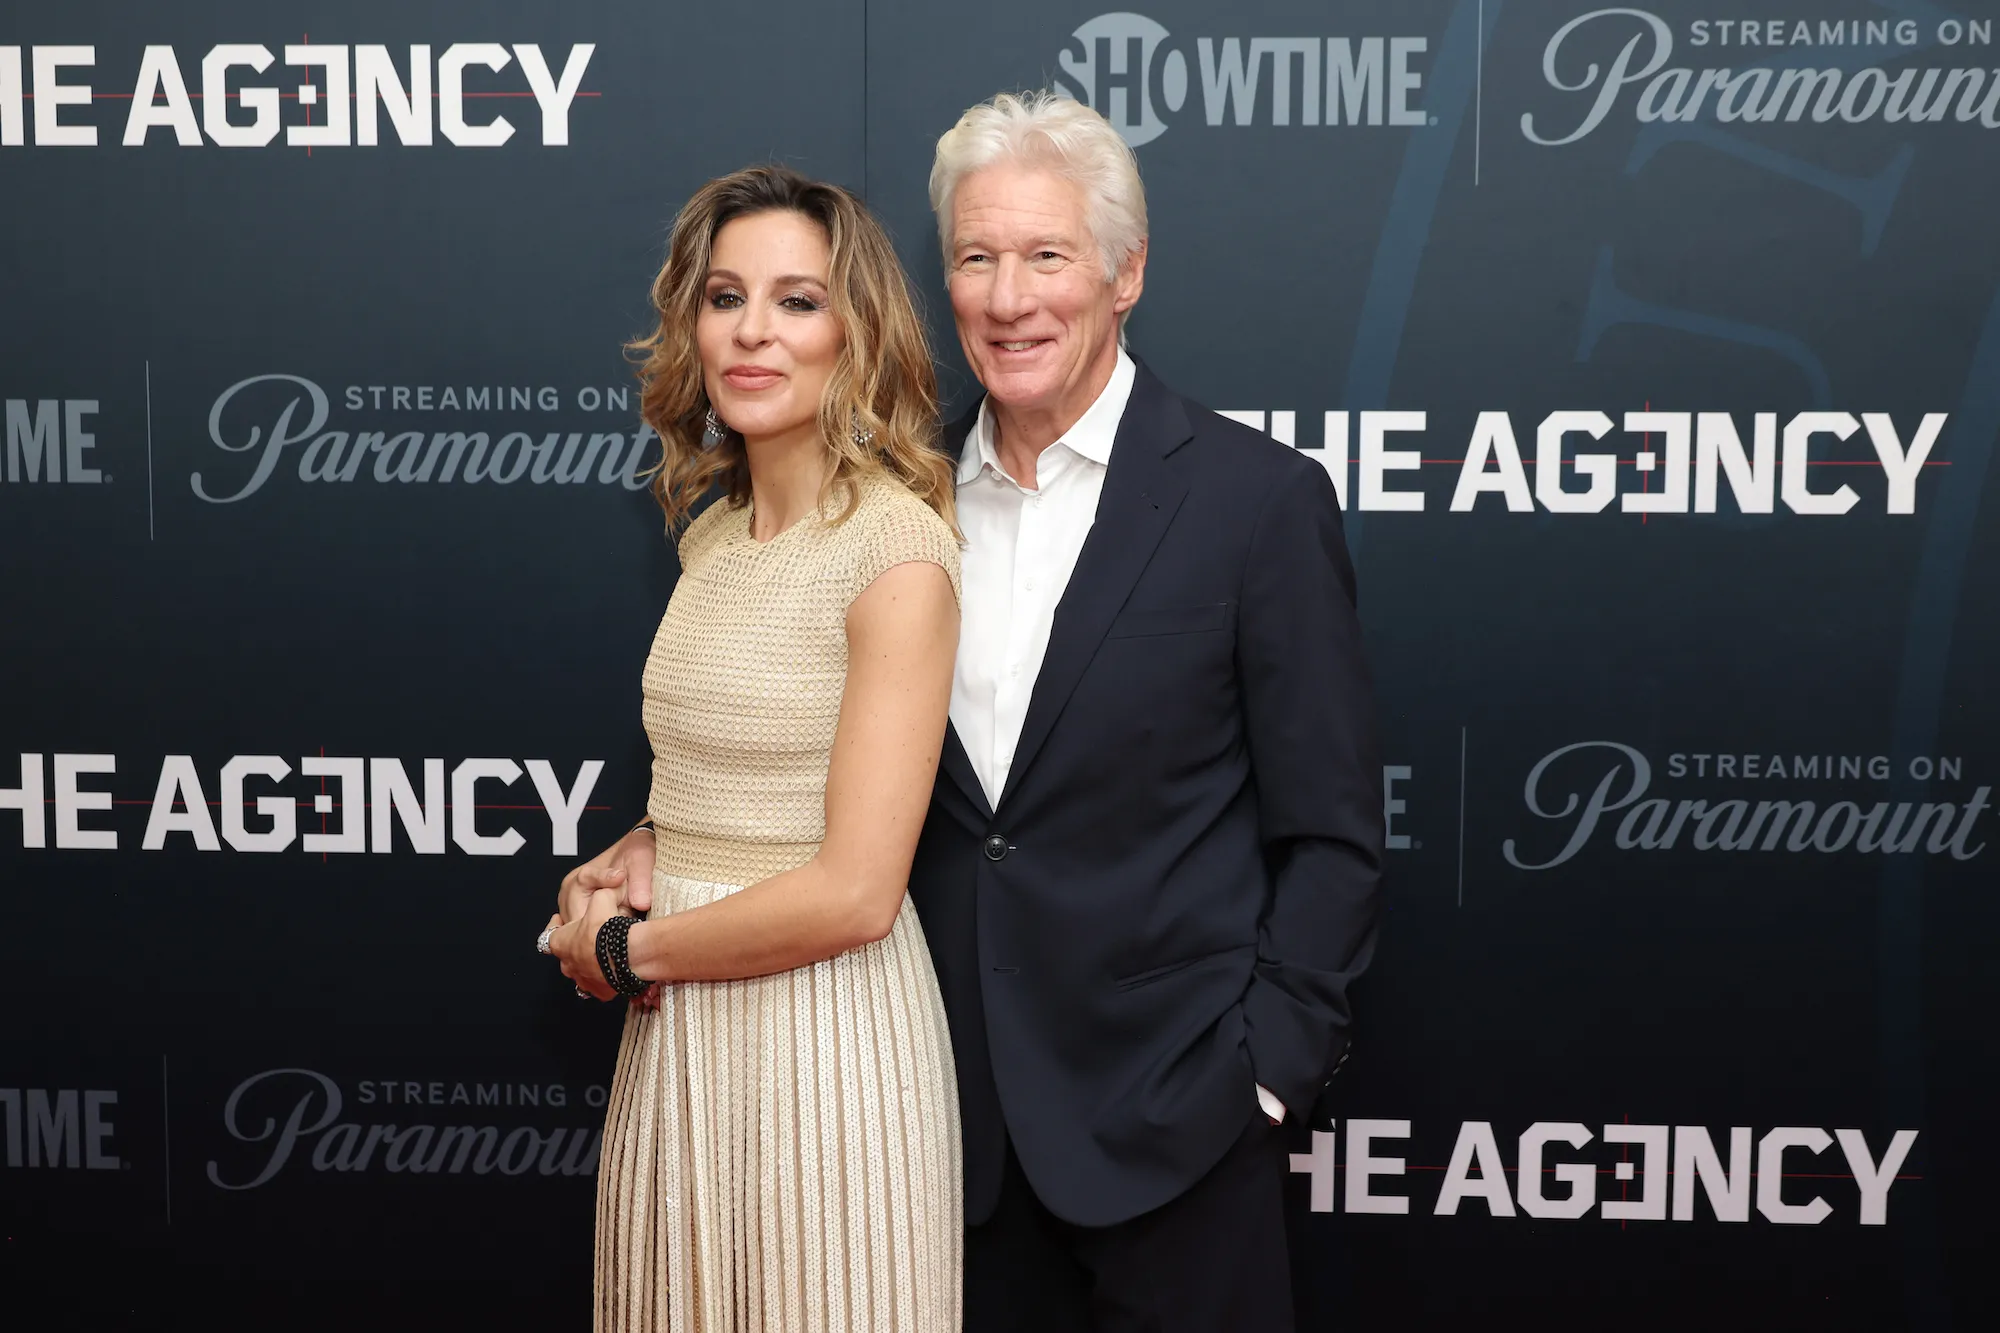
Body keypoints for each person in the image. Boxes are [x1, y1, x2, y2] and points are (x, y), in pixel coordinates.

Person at [910, 92, 1385, 1332]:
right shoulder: (897, 501)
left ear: (1124, 274)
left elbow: (1331, 831)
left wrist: (1262, 1079)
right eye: (975, 256)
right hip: (939, 1141)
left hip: (1178, 1136)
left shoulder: (1254, 501)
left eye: (1046, 255)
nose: (1007, 298)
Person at [540, 164, 965, 1332]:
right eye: (725, 297)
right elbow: (746, 758)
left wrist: (624, 951)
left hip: (822, 1035)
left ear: (855, 331)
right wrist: (649, 838)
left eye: (796, 300)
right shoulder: (713, 536)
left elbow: (855, 891)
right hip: (683, 1036)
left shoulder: (896, 554)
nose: (751, 331)